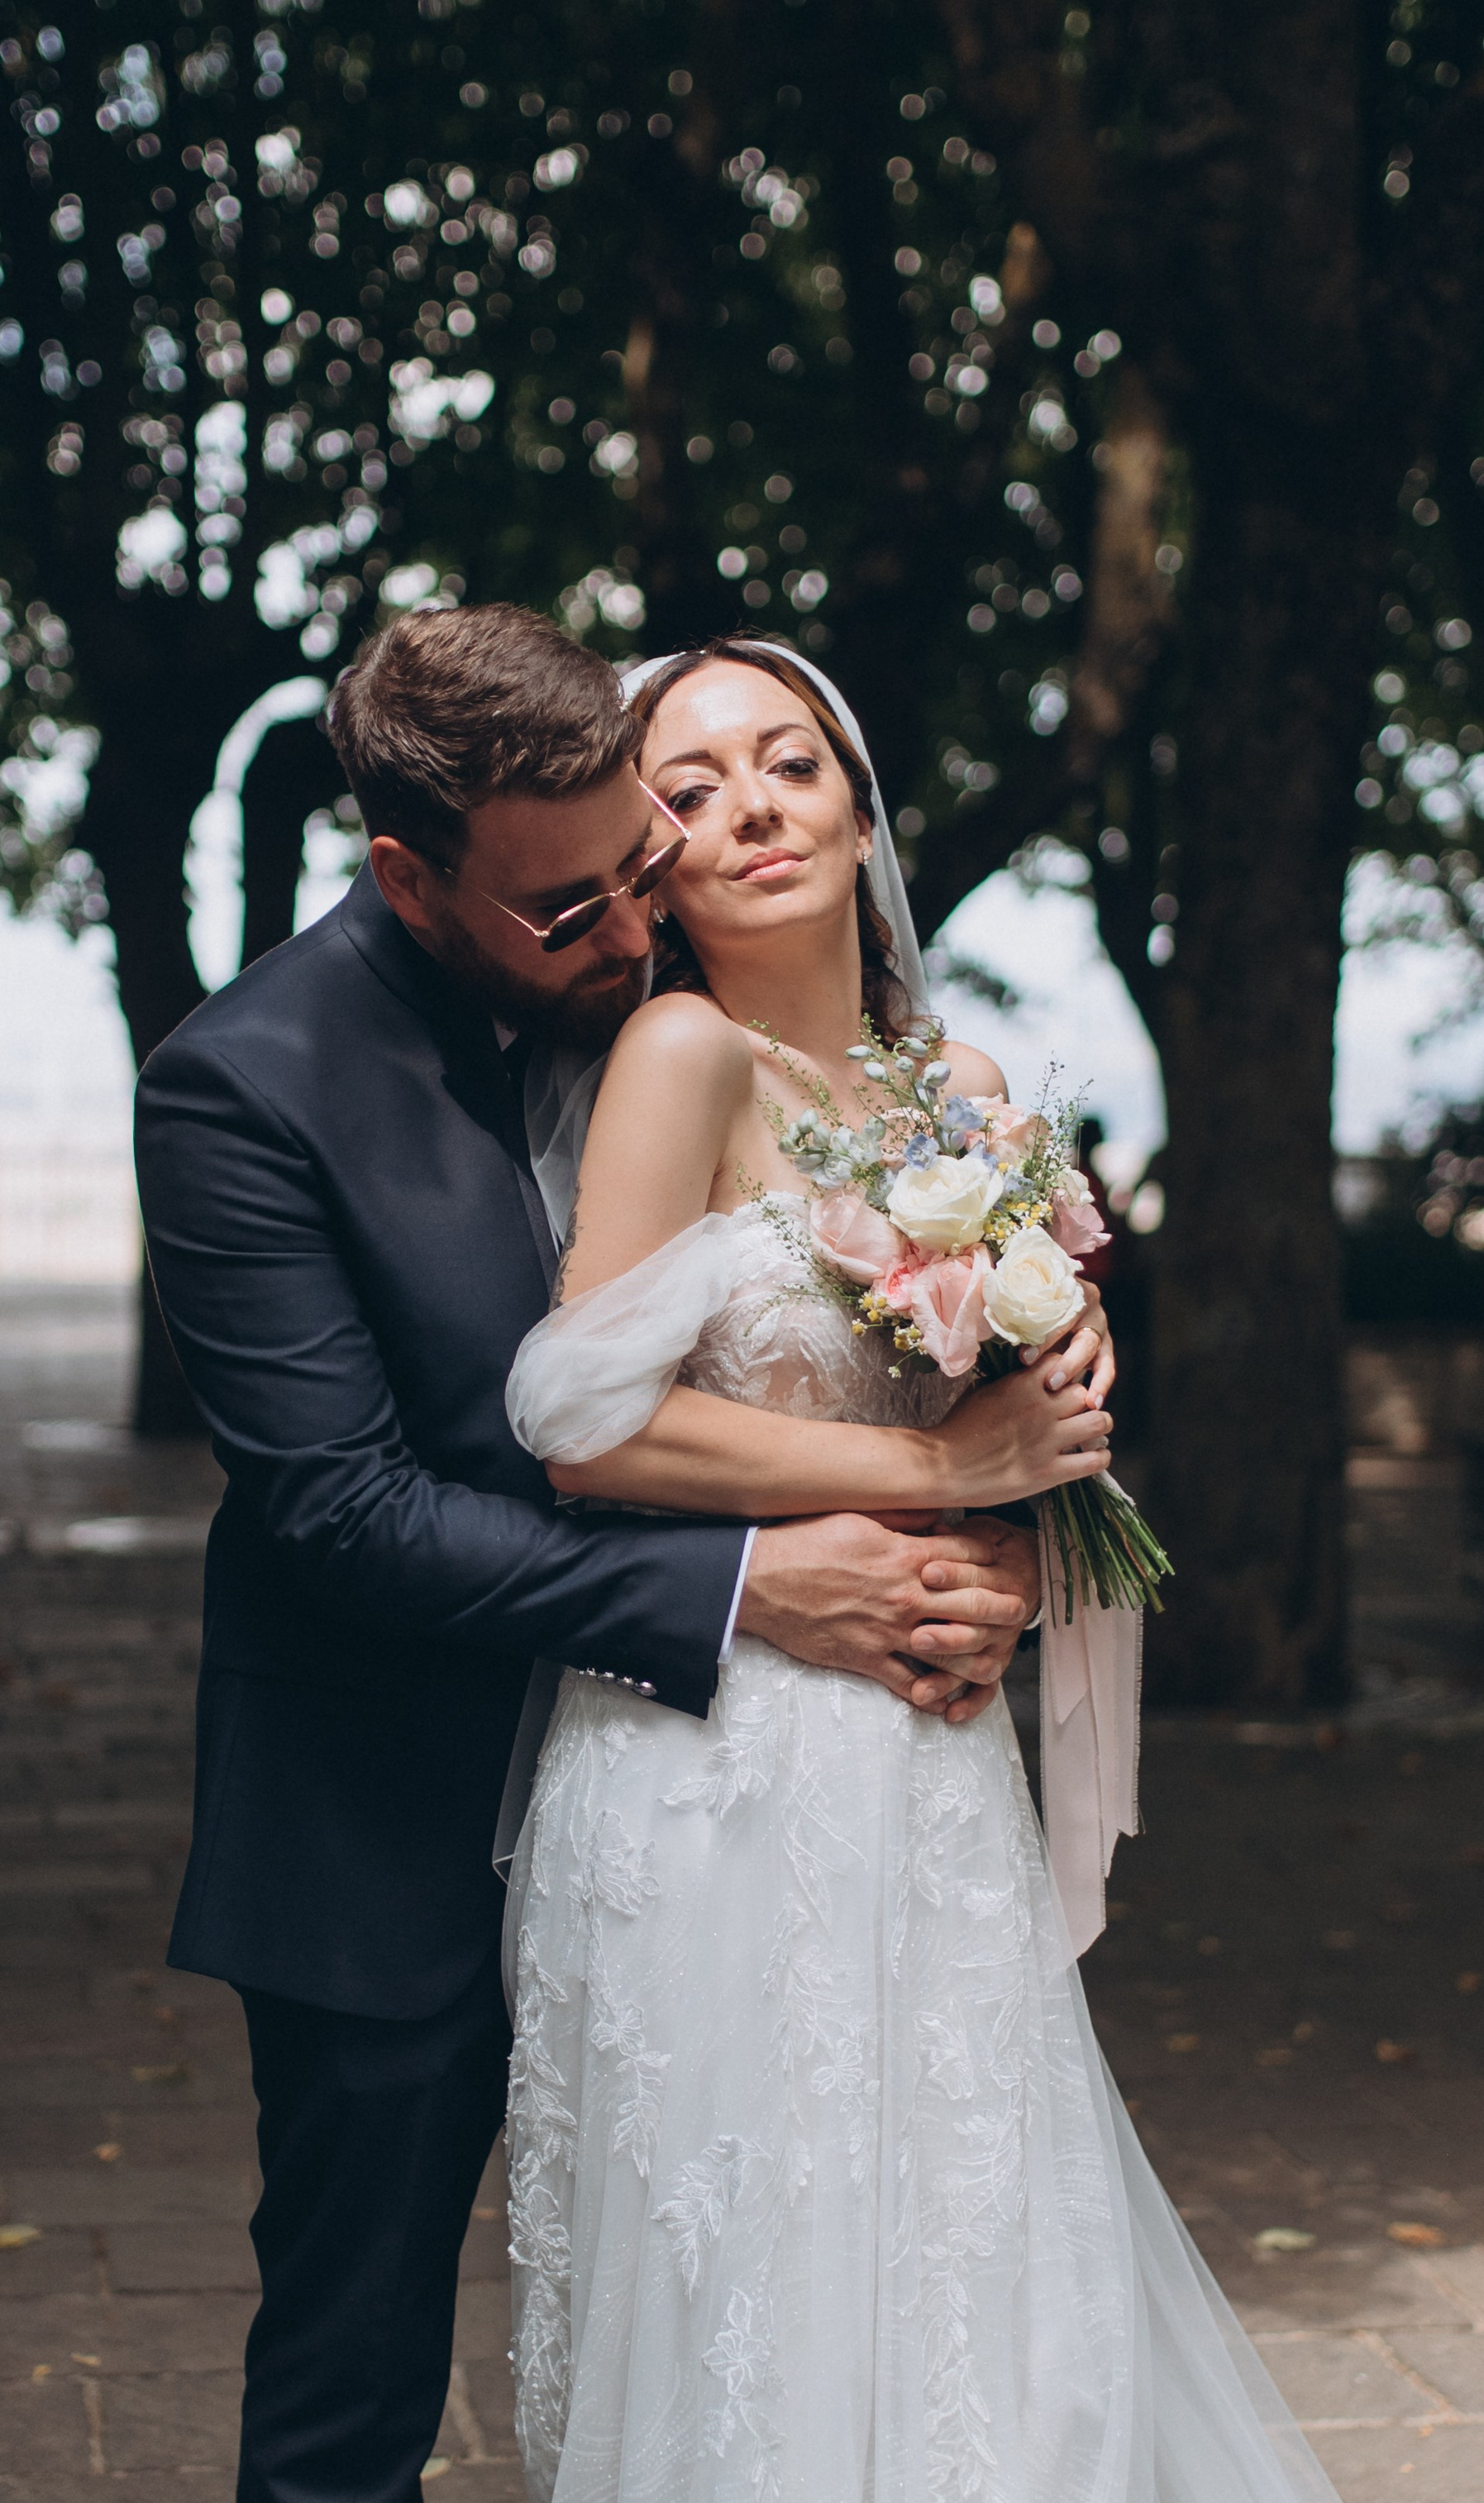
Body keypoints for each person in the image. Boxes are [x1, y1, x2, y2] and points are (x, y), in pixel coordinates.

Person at [134, 604, 1043, 2503]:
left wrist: (1000, 1492)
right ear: (408, 870)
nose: (633, 929)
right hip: (387, 1817)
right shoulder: (244, 1086)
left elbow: (863, 1292)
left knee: (773, 2312)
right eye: (570, 909)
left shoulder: (683, 1005)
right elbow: (344, 1510)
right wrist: (740, 1587)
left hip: (721, 1821)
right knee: (353, 2378)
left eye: (642, 868)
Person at [502, 638, 1335, 2502]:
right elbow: (580, 1421)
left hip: (930, 1748)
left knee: (969, 2255)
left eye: (786, 763)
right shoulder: (677, 1052)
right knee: (765, 2274)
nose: (748, 809)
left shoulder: (954, 1087)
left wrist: (1025, 1536)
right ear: (648, 861)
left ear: (858, 804)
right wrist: (929, 1466)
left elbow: (1029, 1434)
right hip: (719, 1761)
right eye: (689, 790)